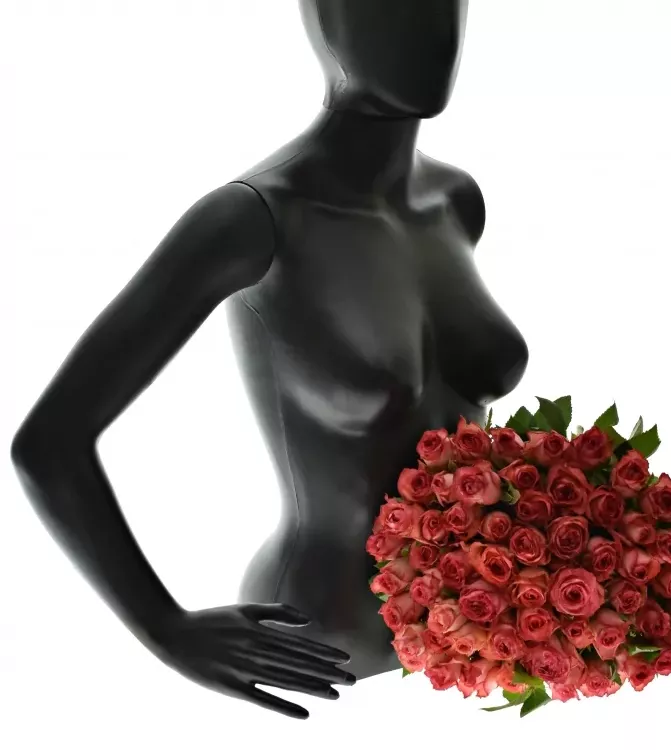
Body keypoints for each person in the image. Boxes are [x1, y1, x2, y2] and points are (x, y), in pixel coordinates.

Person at [10, 0, 528, 720]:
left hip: (470, 647)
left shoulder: (456, 201)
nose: (428, 28)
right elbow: (49, 442)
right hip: (313, 655)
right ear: (323, 16)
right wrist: (164, 629)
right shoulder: (254, 218)